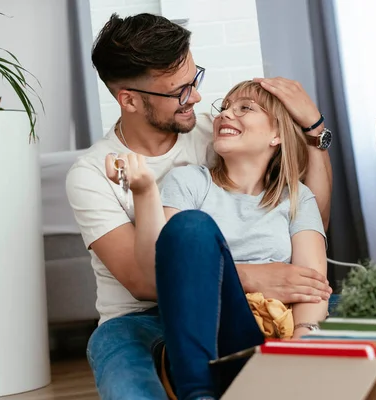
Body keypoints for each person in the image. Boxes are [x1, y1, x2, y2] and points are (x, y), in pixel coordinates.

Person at [65, 12, 333, 400]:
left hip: (252, 306)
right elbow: (144, 282)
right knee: (132, 392)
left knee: (350, 320)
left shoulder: (218, 133)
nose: (196, 98)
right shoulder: (92, 173)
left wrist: (314, 128)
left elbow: (308, 217)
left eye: (195, 79)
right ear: (130, 100)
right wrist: (256, 277)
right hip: (140, 319)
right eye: (179, 90)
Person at [105, 80, 328, 400]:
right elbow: (165, 264)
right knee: (191, 227)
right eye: (224, 107)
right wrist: (144, 190)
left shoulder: (296, 198)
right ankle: (197, 393)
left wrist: (303, 340)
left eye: (244, 108)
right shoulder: (189, 181)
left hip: (266, 336)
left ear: (276, 135)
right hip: (205, 333)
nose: (225, 115)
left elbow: (312, 283)